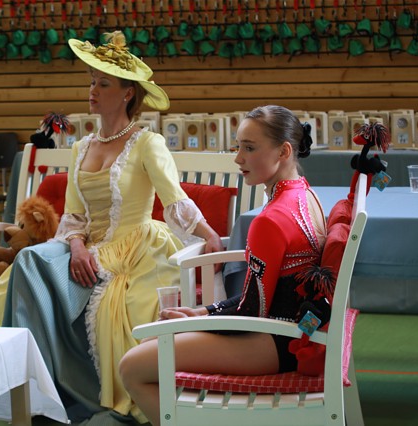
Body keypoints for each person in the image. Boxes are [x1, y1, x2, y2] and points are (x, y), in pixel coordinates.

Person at [0, 31, 222, 423]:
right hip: (85, 246)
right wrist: (77, 247)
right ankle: (32, 393)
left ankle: (78, 392)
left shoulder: (147, 143)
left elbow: (174, 200)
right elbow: (73, 217)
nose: (93, 90)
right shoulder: (81, 148)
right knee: (25, 265)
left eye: (104, 84)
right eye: (92, 82)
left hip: (137, 248)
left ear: (127, 93)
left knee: (123, 305)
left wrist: (209, 235)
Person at [118, 105, 325, 425]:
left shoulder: (270, 220)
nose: (238, 158)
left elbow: (252, 313)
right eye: (237, 146)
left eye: (249, 148)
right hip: (294, 331)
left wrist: (194, 322)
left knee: (132, 366)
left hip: (277, 341)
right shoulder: (307, 195)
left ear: (284, 151)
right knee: (151, 348)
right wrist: (202, 312)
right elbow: (259, 300)